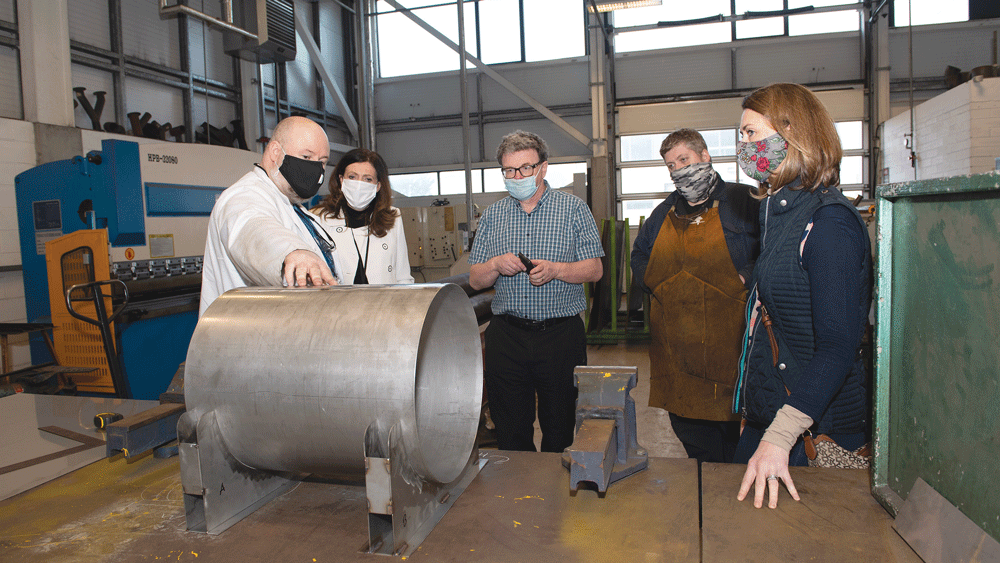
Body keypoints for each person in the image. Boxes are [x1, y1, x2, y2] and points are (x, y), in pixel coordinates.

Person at [732, 83, 872, 509]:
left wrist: (779, 434)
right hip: (771, 419)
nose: (743, 145)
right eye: (741, 136)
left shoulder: (829, 224)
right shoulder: (777, 213)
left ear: (791, 136)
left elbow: (837, 348)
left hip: (811, 430)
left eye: (751, 133)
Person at [469, 130, 604, 453]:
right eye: (509, 171)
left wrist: (557, 269)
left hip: (560, 335)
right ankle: (519, 496)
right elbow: (475, 279)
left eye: (525, 168)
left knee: (559, 424)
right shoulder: (493, 216)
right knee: (510, 425)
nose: (517, 177)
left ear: (543, 167)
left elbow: (595, 270)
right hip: (507, 336)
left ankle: (555, 498)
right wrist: (495, 265)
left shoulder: (573, 210)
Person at [631, 129, 759, 464]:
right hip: (682, 350)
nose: (678, 171)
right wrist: (663, 286)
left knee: (737, 444)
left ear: (705, 156)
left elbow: (772, 250)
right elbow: (639, 257)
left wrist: (744, 276)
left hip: (733, 346)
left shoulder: (747, 201)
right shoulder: (663, 214)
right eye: (671, 166)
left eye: (684, 160)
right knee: (695, 439)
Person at [200, 116, 340, 316]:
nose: (316, 168)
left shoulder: (297, 209)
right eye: (307, 157)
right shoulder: (243, 195)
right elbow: (250, 226)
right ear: (275, 152)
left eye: (322, 162)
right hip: (252, 337)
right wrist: (293, 253)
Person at [311, 148, 414, 285]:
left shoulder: (393, 217)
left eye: (367, 179)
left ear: (377, 186)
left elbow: (403, 274)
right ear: (341, 180)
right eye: (352, 177)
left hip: (383, 301)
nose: (359, 184)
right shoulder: (320, 218)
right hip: (338, 302)